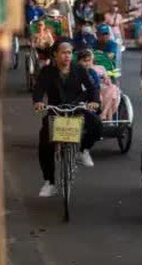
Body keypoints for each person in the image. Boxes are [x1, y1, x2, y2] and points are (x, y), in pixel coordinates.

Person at [33, 40, 102, 197]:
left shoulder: (79, 69)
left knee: (97, 125)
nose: (67, 56)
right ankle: (49, 181)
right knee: (45, 142)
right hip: (55, 110)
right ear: (55, 54)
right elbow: (38, 89)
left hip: (76, 108)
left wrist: (94, 102)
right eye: (63, 53)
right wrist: (38, 102)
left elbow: (92, 89)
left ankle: (83, 150)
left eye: (69, 53)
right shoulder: (47, 71)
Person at [77, 49, 120, 121]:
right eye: (85, 61)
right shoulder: (77, 70)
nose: (87, 63)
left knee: (112, 88)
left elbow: (102, 81)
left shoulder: (97, 69)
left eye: (89, 60)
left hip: (101, 88)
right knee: (100, 94)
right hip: (87, 91)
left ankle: (104, 114)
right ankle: (107, 119)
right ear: (79, 61)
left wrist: (107, 79)